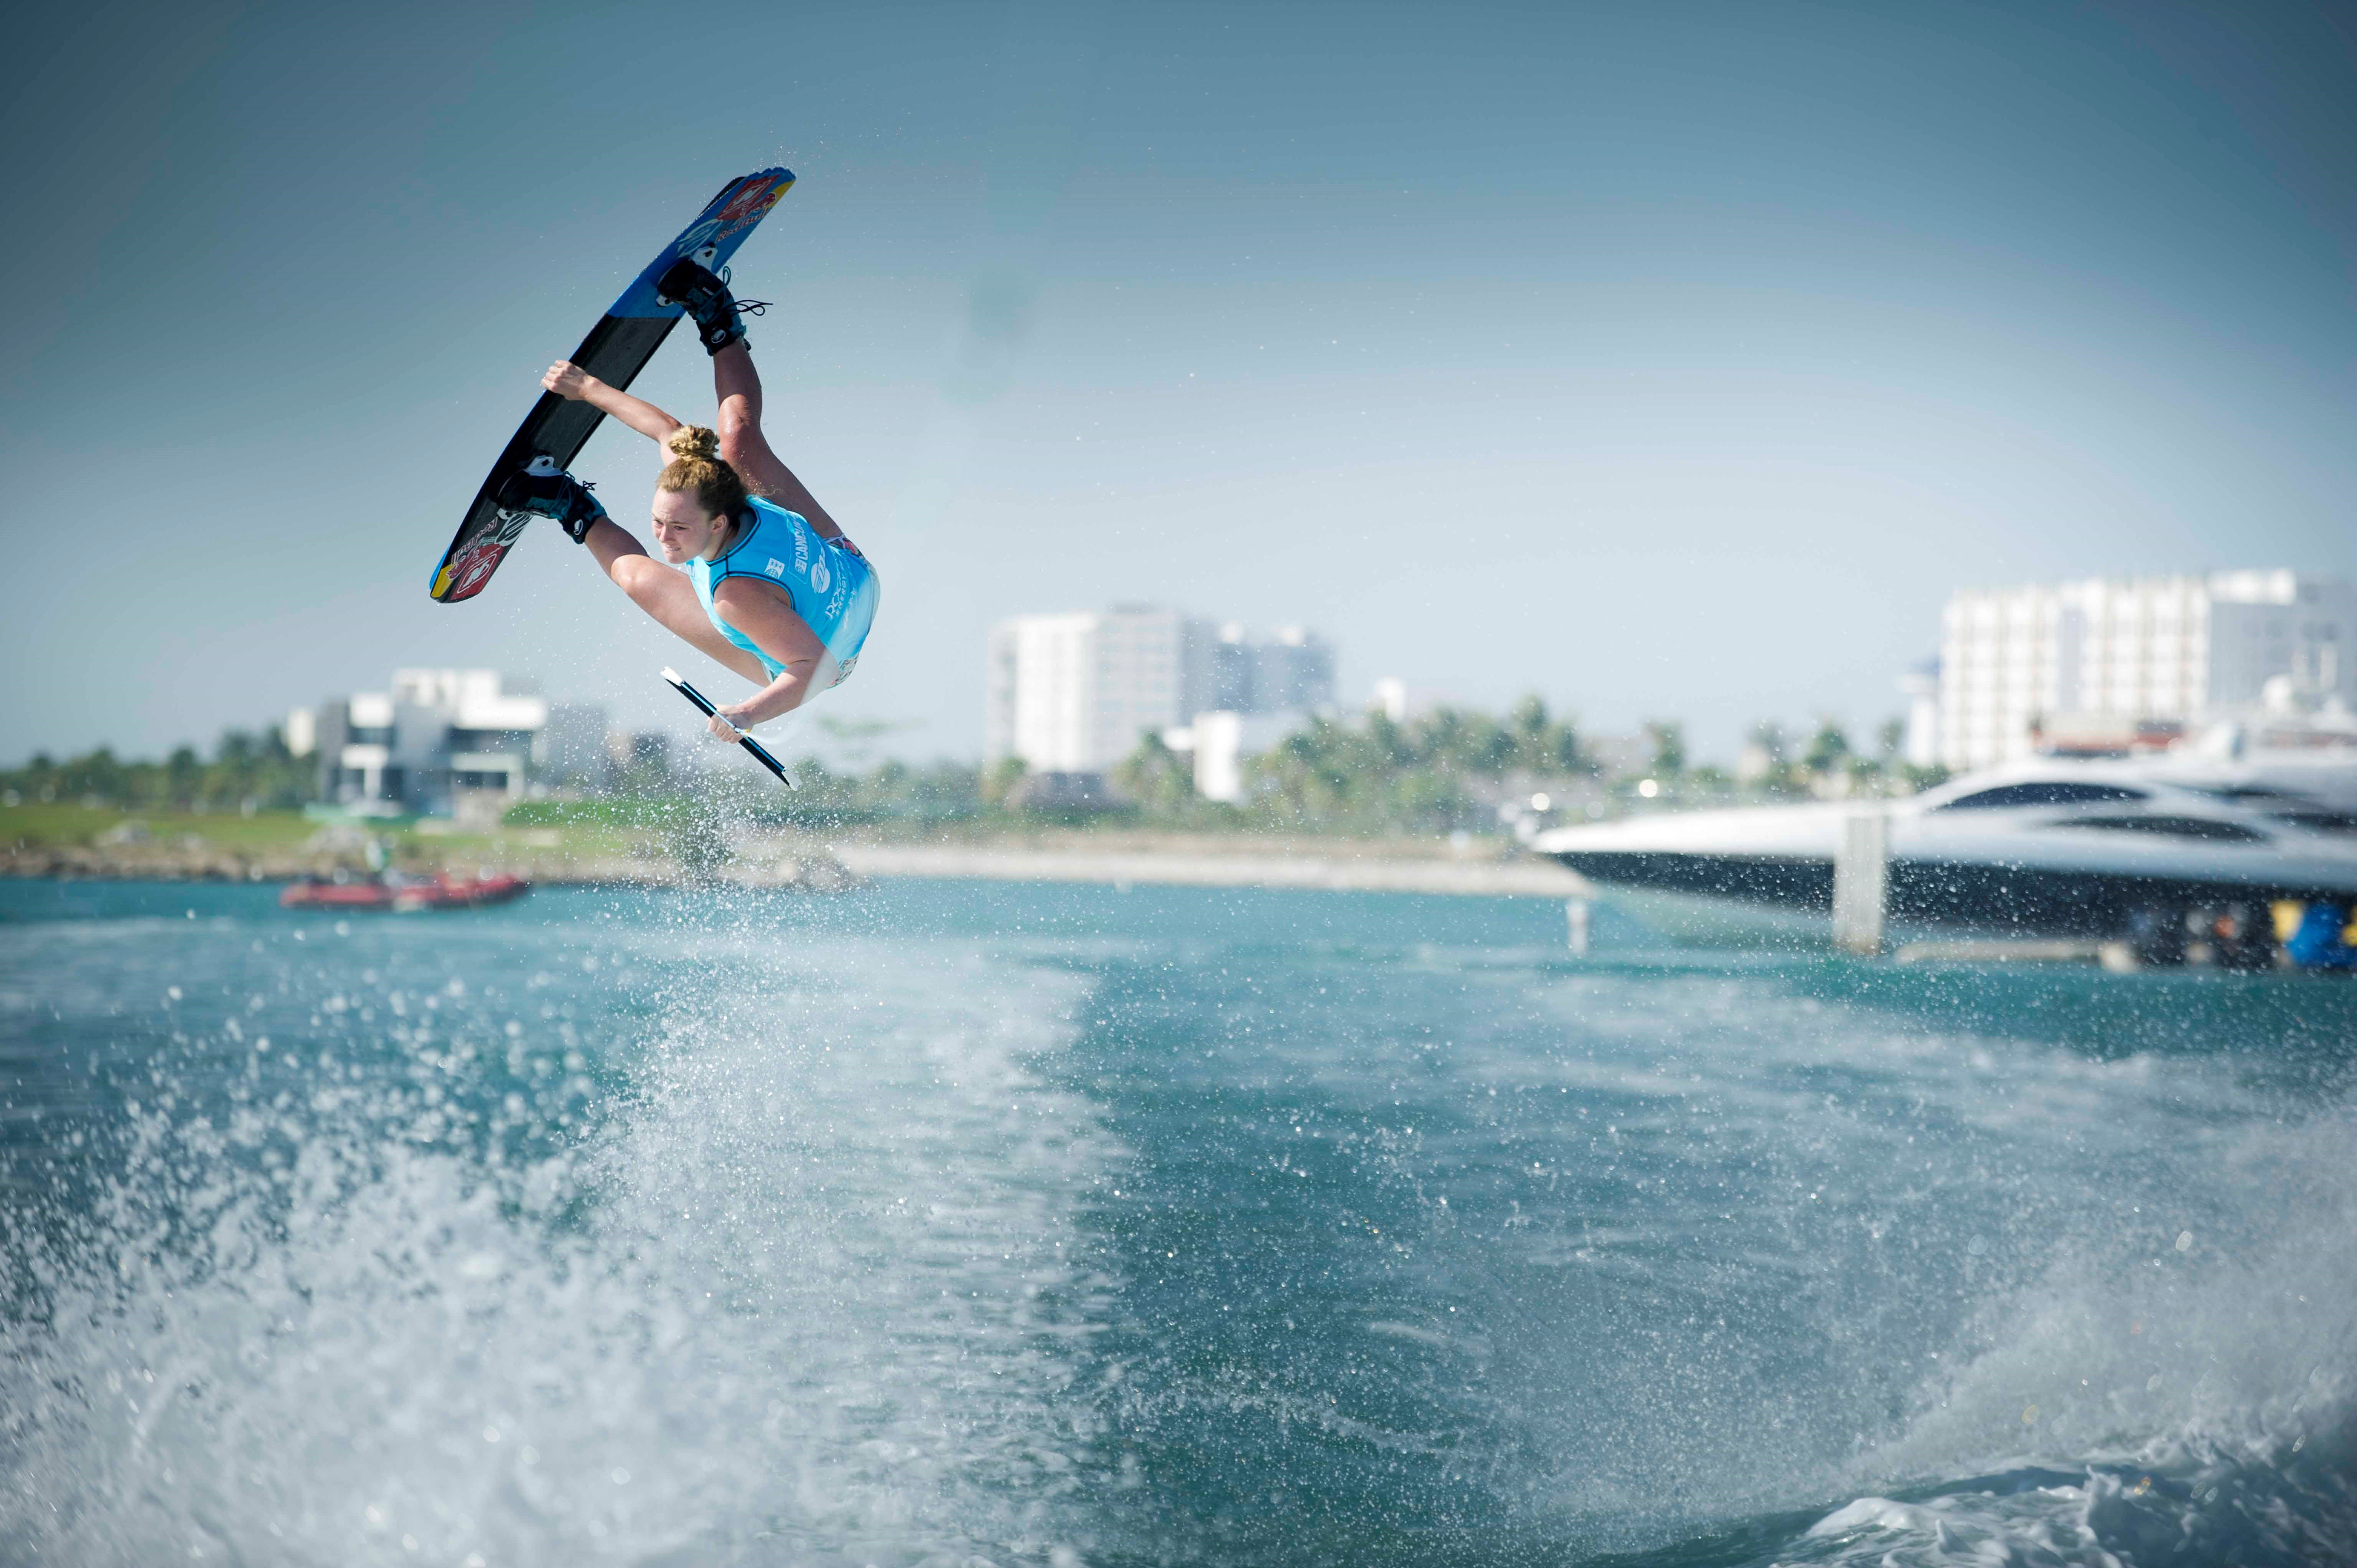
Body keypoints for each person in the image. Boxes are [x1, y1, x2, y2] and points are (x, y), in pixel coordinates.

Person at [496, 256, 878, 742]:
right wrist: (587, 388)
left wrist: (747, 713)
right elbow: (665, 430)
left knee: (639, 575)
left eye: (679, 529)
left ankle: (567, 502)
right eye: (658, 521)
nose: (663, 538)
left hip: (832, 640)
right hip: (811, 598)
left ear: (719, 522)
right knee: (729, 442)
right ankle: (717, 324)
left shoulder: (733, 595)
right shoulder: (698, 484)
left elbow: (814, 669)